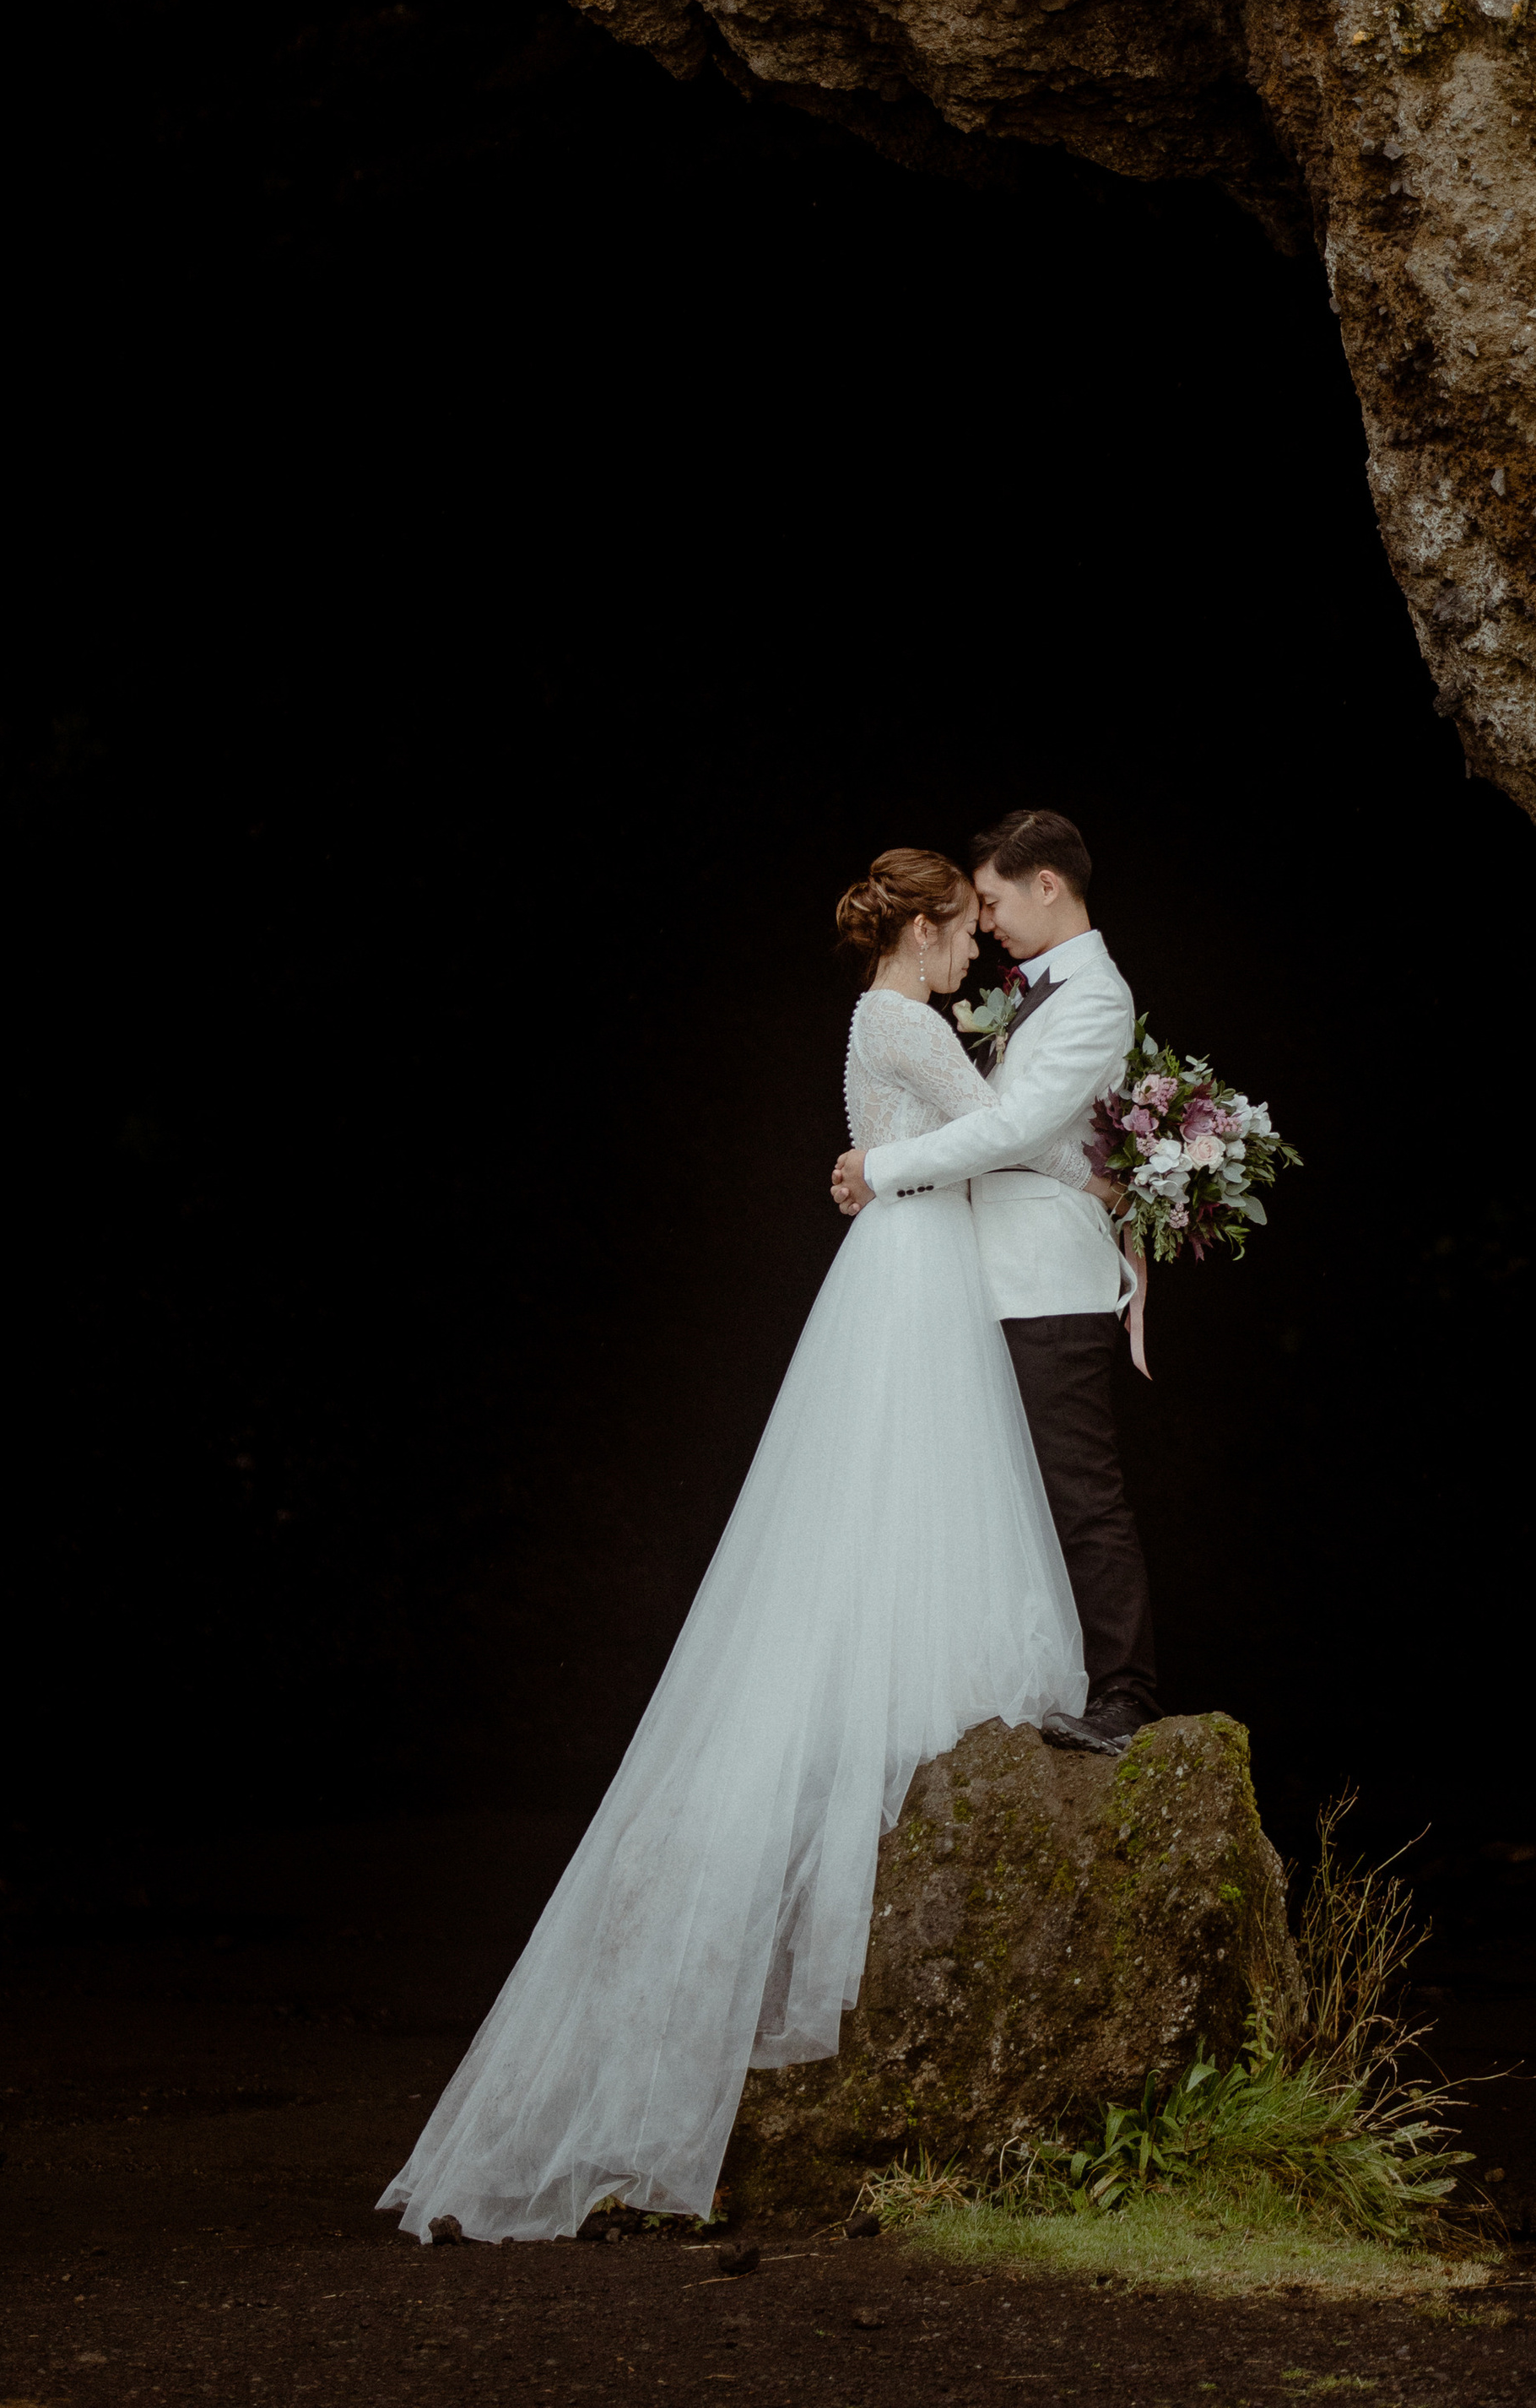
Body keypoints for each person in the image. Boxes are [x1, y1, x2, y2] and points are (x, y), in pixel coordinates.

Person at [380, 848, 1086, 2243]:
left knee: (903, 1493)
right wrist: (1123, 1161)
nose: (976, 957)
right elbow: (1010, 1133)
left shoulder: (888, 1021)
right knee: (898, 1488)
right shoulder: (900, 1021)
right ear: (925, 928)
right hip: (910, 1278)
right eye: (963, 934)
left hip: (908, 1262)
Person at [831, 808, 1160, 1762]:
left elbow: (1013, 1129)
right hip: (983, 1273)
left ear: (1045, 884)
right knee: (997, 1493)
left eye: (991, 900)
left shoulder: (1094, 997)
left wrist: (881, 1168)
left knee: (1078, 1490)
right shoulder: (1025, 992)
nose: (984, 923)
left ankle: (1126, 1696)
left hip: (1045, 1275)